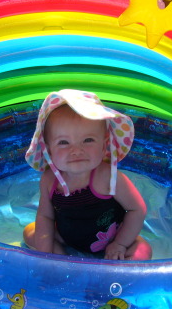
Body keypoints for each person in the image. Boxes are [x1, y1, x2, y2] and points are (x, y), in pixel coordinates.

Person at [23, 89, 152, 260]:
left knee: (142, 250)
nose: (76, 150)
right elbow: (45, 216)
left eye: (88, 140)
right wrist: (44, 254)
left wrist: (120, 243)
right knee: (30, 232)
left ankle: (110, 270)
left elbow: (137, 209)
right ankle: (59, 261)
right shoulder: (49, 179)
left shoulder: (109, 178)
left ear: (104, 145)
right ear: (48, 150)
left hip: (111, 239)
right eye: (63, 142)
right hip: (66, 236)